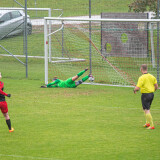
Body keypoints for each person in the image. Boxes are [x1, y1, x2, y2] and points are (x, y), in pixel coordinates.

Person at [133, 64, 158, 130]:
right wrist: (152, 91)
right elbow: (156, 86)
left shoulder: (141, 77)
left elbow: (138, 88)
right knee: (145, 108)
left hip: (145, 95)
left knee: (147, 110)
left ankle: (152, 125)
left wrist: (135, 89)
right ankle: (147, 123)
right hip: (151, 94)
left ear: (141, 69)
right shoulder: (152, 76)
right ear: (146, 69)